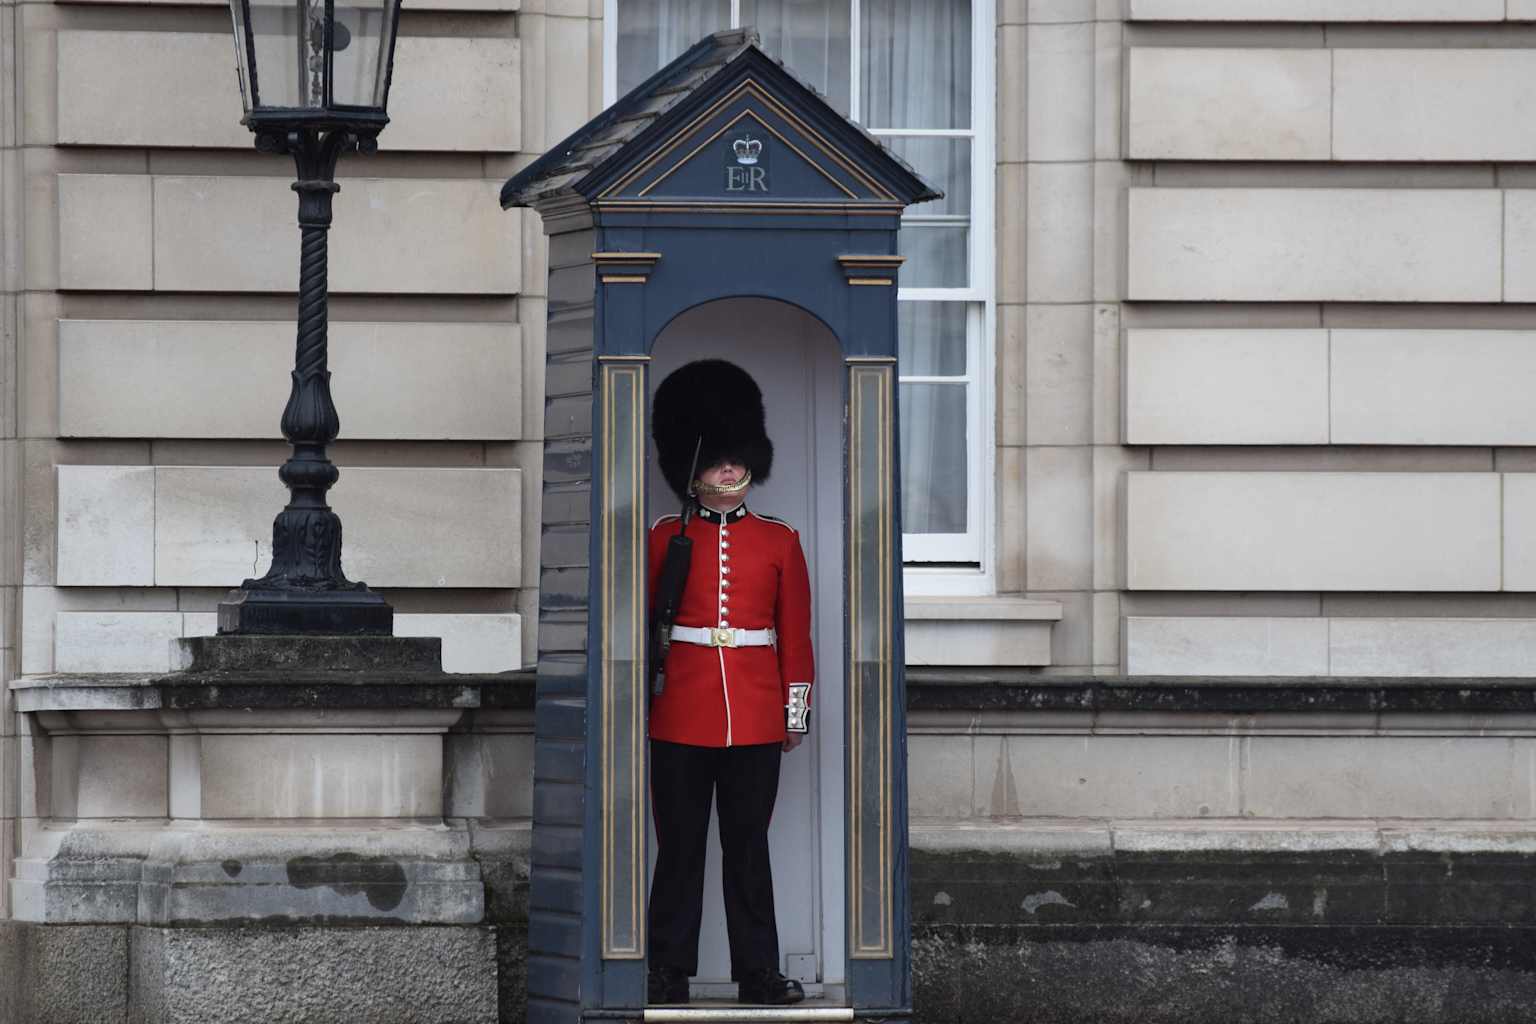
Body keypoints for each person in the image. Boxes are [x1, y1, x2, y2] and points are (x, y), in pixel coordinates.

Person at [646, 359, 813, 1008]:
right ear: (692, 466)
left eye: (735, 457)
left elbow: (794, 638)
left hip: (754, 714)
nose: (727, 469)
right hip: (678, 715)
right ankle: (668, 970)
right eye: (716, 459)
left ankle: (757, 972)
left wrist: (793, 716)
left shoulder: (779, 541)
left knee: (748, 851)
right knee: (680, 850)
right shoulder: (663, 539)